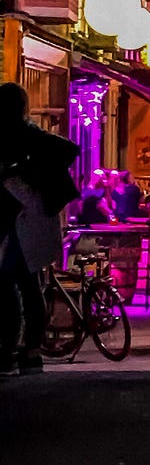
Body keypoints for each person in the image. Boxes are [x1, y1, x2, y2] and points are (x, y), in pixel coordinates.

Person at [0, 83, 79, 375]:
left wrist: (23, 169)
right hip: (21, 224)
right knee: (24, 285)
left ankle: (14, 347)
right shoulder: (28, 134)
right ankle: (26, 349)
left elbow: (69, 149)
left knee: (14, 284)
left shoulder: (23, 135)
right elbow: (69, 149)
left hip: (21, 225)